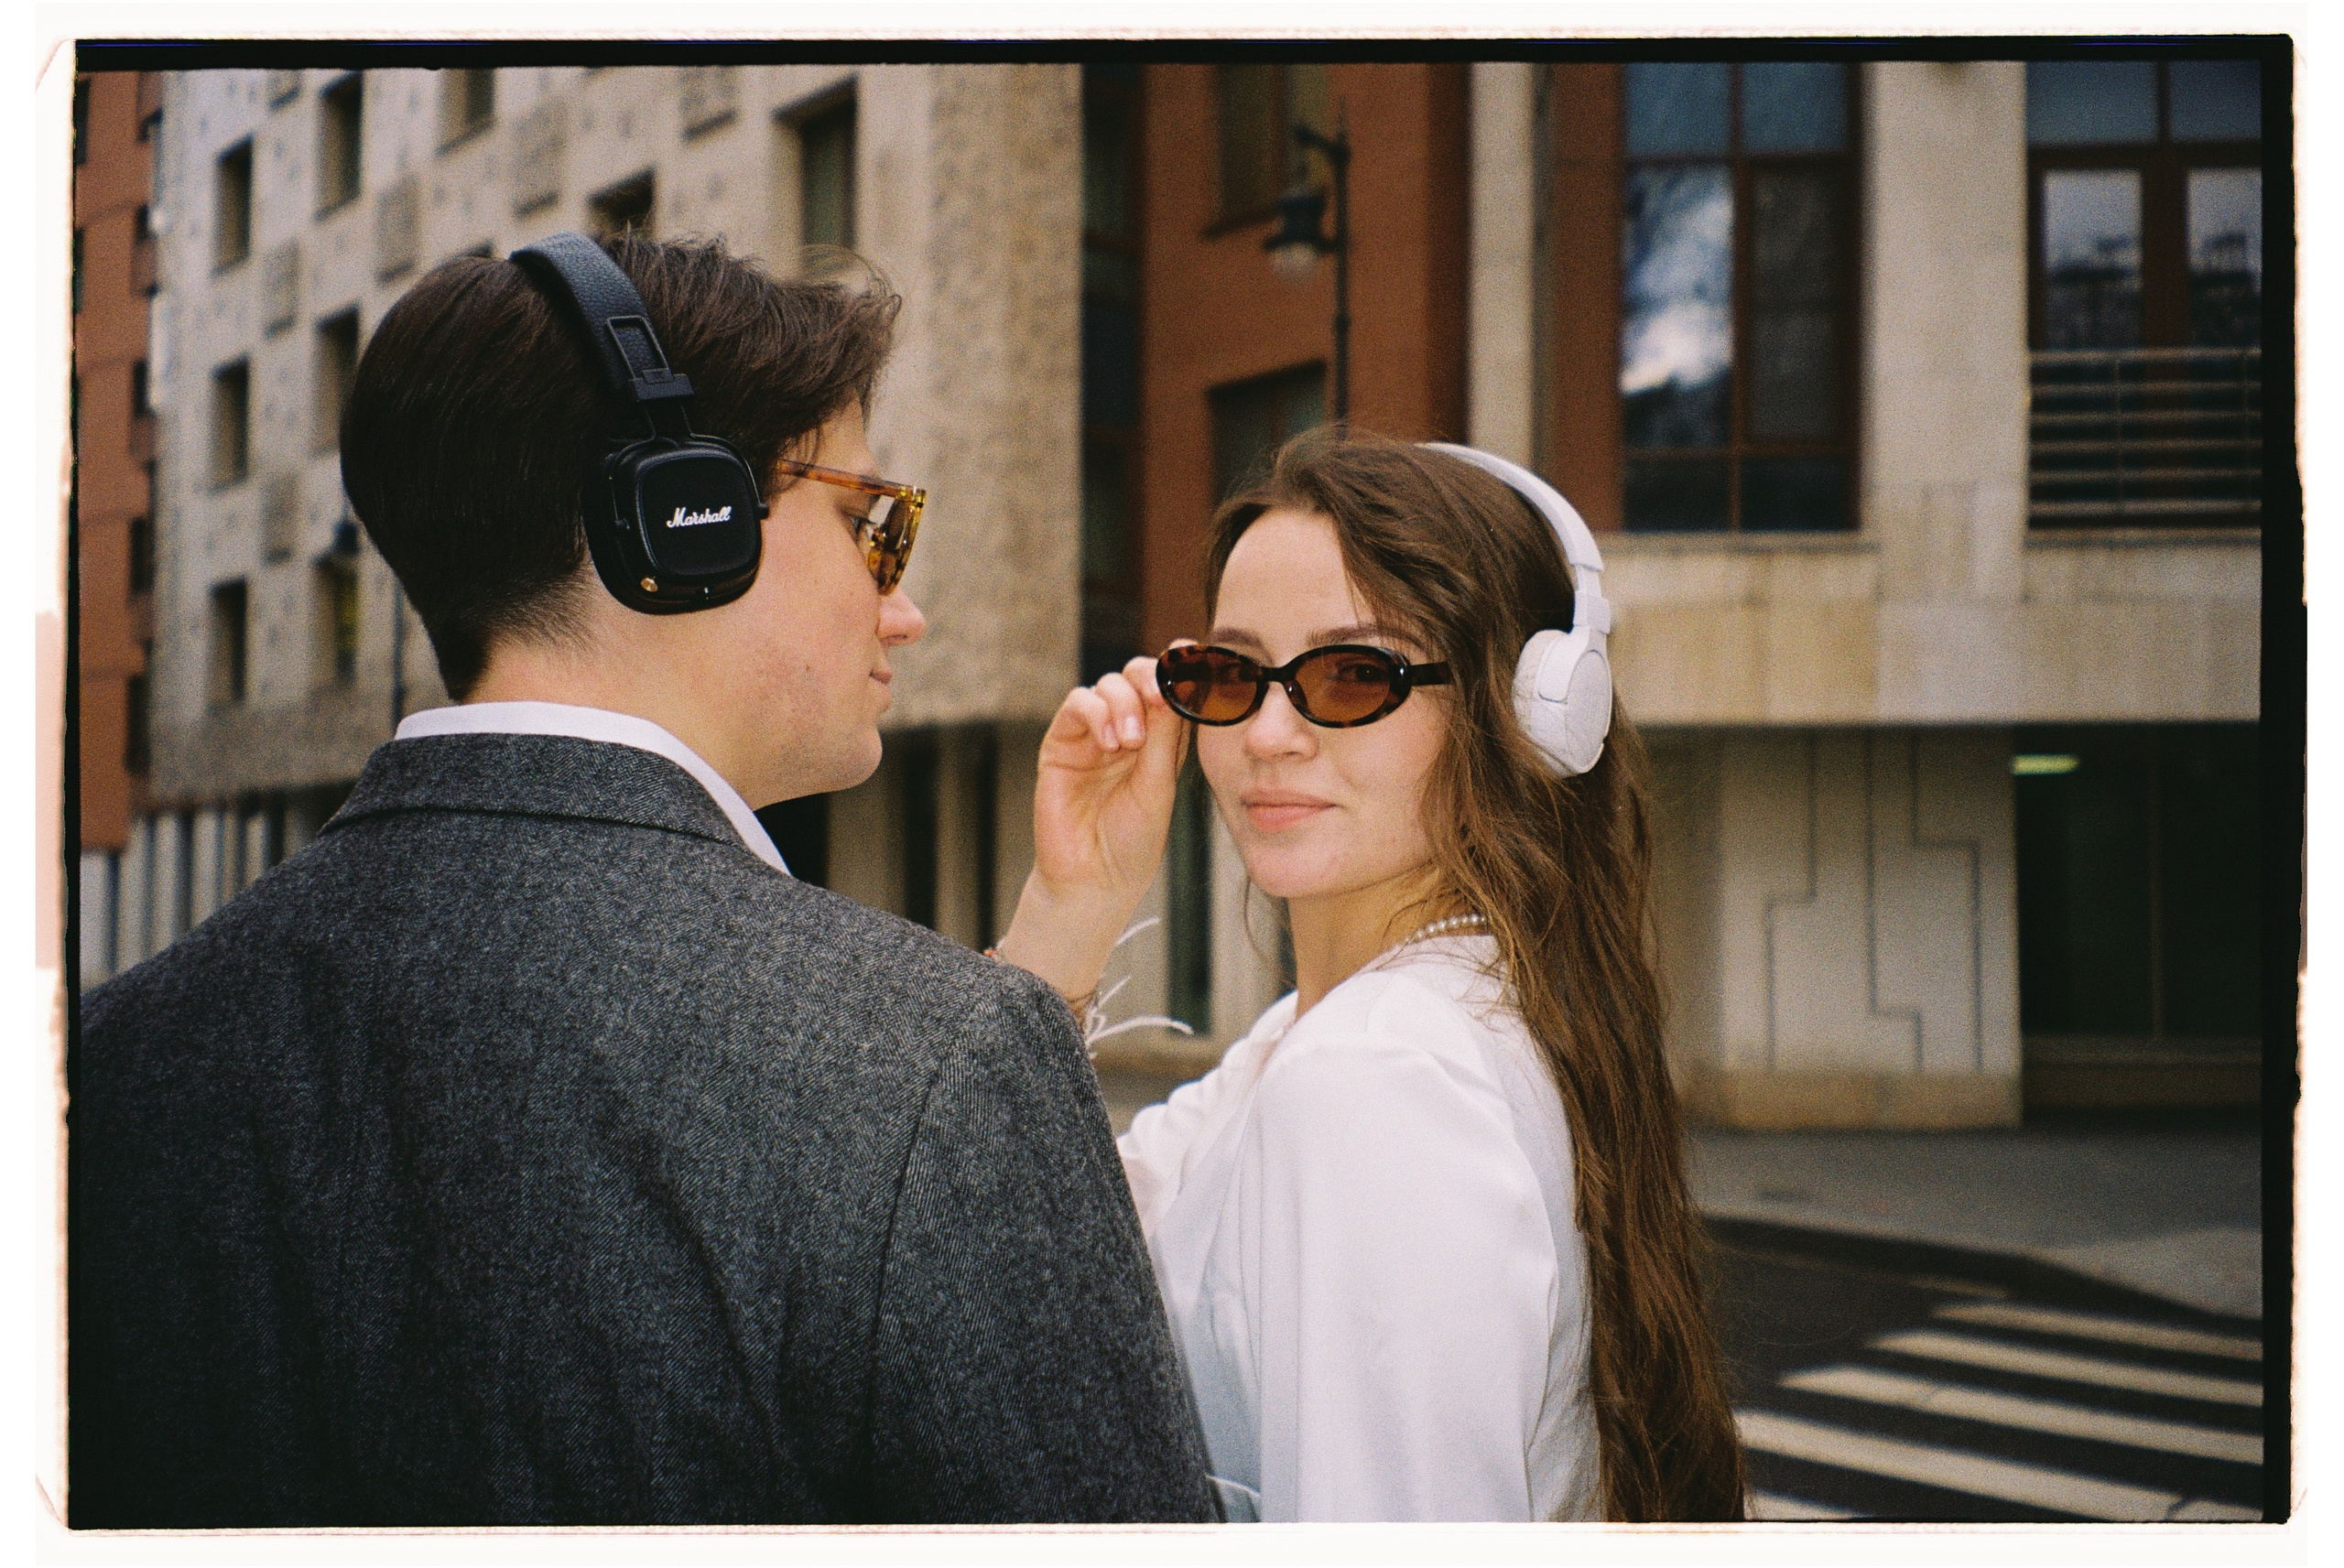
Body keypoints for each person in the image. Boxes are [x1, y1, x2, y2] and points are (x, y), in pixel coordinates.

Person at [71, 233, 1218, 1528]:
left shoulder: (103, 1067)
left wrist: (1052, 940)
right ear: (687, 518)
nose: (904, 606)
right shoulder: (929, 1063)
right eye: (870, 523)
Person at [993, 427, 1746, 1522]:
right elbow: (1005, 1240)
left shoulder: (1371, 1073)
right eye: (1231, 671)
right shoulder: (1338, 1033)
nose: (1269, 731)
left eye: (1353, 675)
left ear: (1522, 713)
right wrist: (1071, 906)